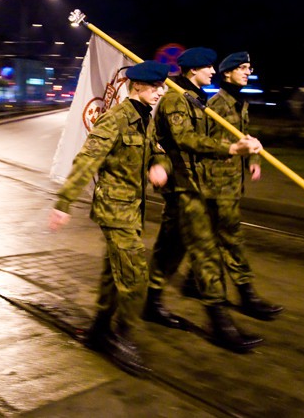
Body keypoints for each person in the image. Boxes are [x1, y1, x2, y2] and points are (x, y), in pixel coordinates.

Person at [49, 61, 172, 375]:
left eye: (163, 86)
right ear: (138, 87)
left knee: (112, 273)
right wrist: (63, 202)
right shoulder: (115, 119)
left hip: (133, 208)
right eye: (157, 87)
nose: (162, 91)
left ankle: (99, 329)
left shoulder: (146, 119)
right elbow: (86, 160)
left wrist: (160, 166)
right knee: (134, 277)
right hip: (115, 209)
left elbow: (157, 150)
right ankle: (121, 336)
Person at [144, 47, 264, 353]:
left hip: (191, 183)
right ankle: (219, 323)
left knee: (170, 248)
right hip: (183, 187)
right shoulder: (175, 98)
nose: (212, 72)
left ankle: (152, 303)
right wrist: (231, 150)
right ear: (192, 70)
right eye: (207, 68)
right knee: (206, 251)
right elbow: (185, 140)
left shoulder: (195, 99)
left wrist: (241, 148)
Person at [179, 52, 283, 320]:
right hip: (217, 184)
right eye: (243, 68)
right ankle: (246, 295)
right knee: (231, 238)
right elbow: (203, 143)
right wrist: (232, 152)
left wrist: (253, 159)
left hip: (231, 182)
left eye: (250, 67)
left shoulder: (239, 102)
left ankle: (192, 281)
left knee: (213, 234)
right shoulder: (216, 106)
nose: (248, 72)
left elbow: (244, 137)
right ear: (227, 73)